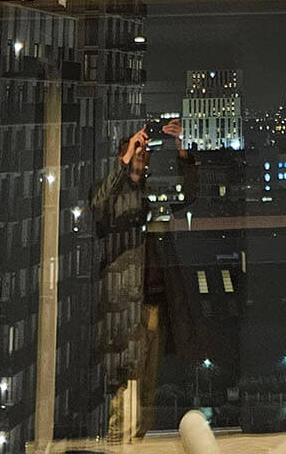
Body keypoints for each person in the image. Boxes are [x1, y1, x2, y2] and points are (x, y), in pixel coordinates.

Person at [92, 119, 199, 440]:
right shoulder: (112, 193)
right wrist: (125, 161)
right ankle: (120, 444)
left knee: (148, 390)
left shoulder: (152, 194)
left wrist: (182, 149)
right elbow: (99, 209)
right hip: (125, 306)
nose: (142, 154)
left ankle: (134, 443)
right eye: (135, 149)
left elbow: (190, 194)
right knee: (126, 387)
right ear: (121, 155)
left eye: (144, 150)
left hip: (153, 304)